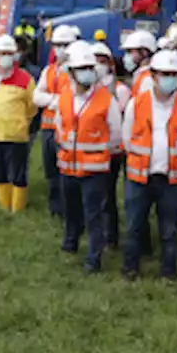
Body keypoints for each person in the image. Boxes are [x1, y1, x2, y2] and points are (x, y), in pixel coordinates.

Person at [122, 49, 177, 280]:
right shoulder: (136, 104)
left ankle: (169, 272)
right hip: (140, 177)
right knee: (134, 226)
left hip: (171, 179)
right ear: (153, 76)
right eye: (165, 74)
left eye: (174, 74)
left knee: (169, 229)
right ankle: (130, 268)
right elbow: (128, 139)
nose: (170, 78)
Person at [56, 41, 122, 274]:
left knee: (94, 215)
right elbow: (59, 126)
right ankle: (70, 243)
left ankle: (94, 259)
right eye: (81, 68)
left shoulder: (106, 99)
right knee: (71, 210)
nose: (86, 73)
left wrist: (98, 150)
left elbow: (116, 133)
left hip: (94, 169)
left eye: (89, 68)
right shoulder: (64, 97)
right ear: (71, 73)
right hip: (68, 166)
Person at [0, 35, 37, 212]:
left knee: (18, 175)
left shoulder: (26, 79)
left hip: (16, 135)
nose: (5, 57)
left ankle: (17, 210)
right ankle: (3, 208)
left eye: (9, 53)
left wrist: (20, 122)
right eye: (1, 53)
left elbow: (32, 107)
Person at [32, 25, 79, 219]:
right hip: (48, 128)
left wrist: (51, 100)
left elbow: (75, 99)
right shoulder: (49, 70)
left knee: (66, 173)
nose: (59, 49)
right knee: (51, 171)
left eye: (64, 45)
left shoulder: (77, 72)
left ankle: (70, 210)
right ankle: (55, 209)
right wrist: (56, 100)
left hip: (67, 130)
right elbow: (36, 95)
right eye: (56, 45)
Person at [94, 42, 130, 248]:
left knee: (107, 195)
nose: (98, 65)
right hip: (90, 149)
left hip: (112, 151)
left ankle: (110, 237)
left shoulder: (120, 90)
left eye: (102, 61)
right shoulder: (87, 88)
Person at [121, 30, 157, 95]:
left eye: (130, 51)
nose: (127, 55)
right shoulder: (141, 74)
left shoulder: (149, 79)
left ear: (144, 52)